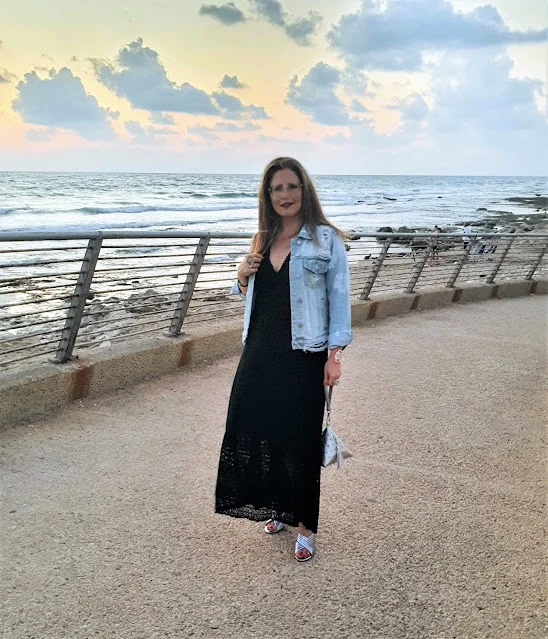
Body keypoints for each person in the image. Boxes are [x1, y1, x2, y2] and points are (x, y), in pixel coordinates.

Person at [214, 157, 352, 562]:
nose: (285, 195)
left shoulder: (325, 240)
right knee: (257, 428)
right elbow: (254, 295)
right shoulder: (262, 238)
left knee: (299, 439)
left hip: (303, 355)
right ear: (268, 195)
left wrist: (334, 356)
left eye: (292, 186)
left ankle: (305, 525)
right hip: (259, 352)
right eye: (277, 188)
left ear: (304, 190)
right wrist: (241, 276)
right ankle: (278, 506)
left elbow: (340, 300)